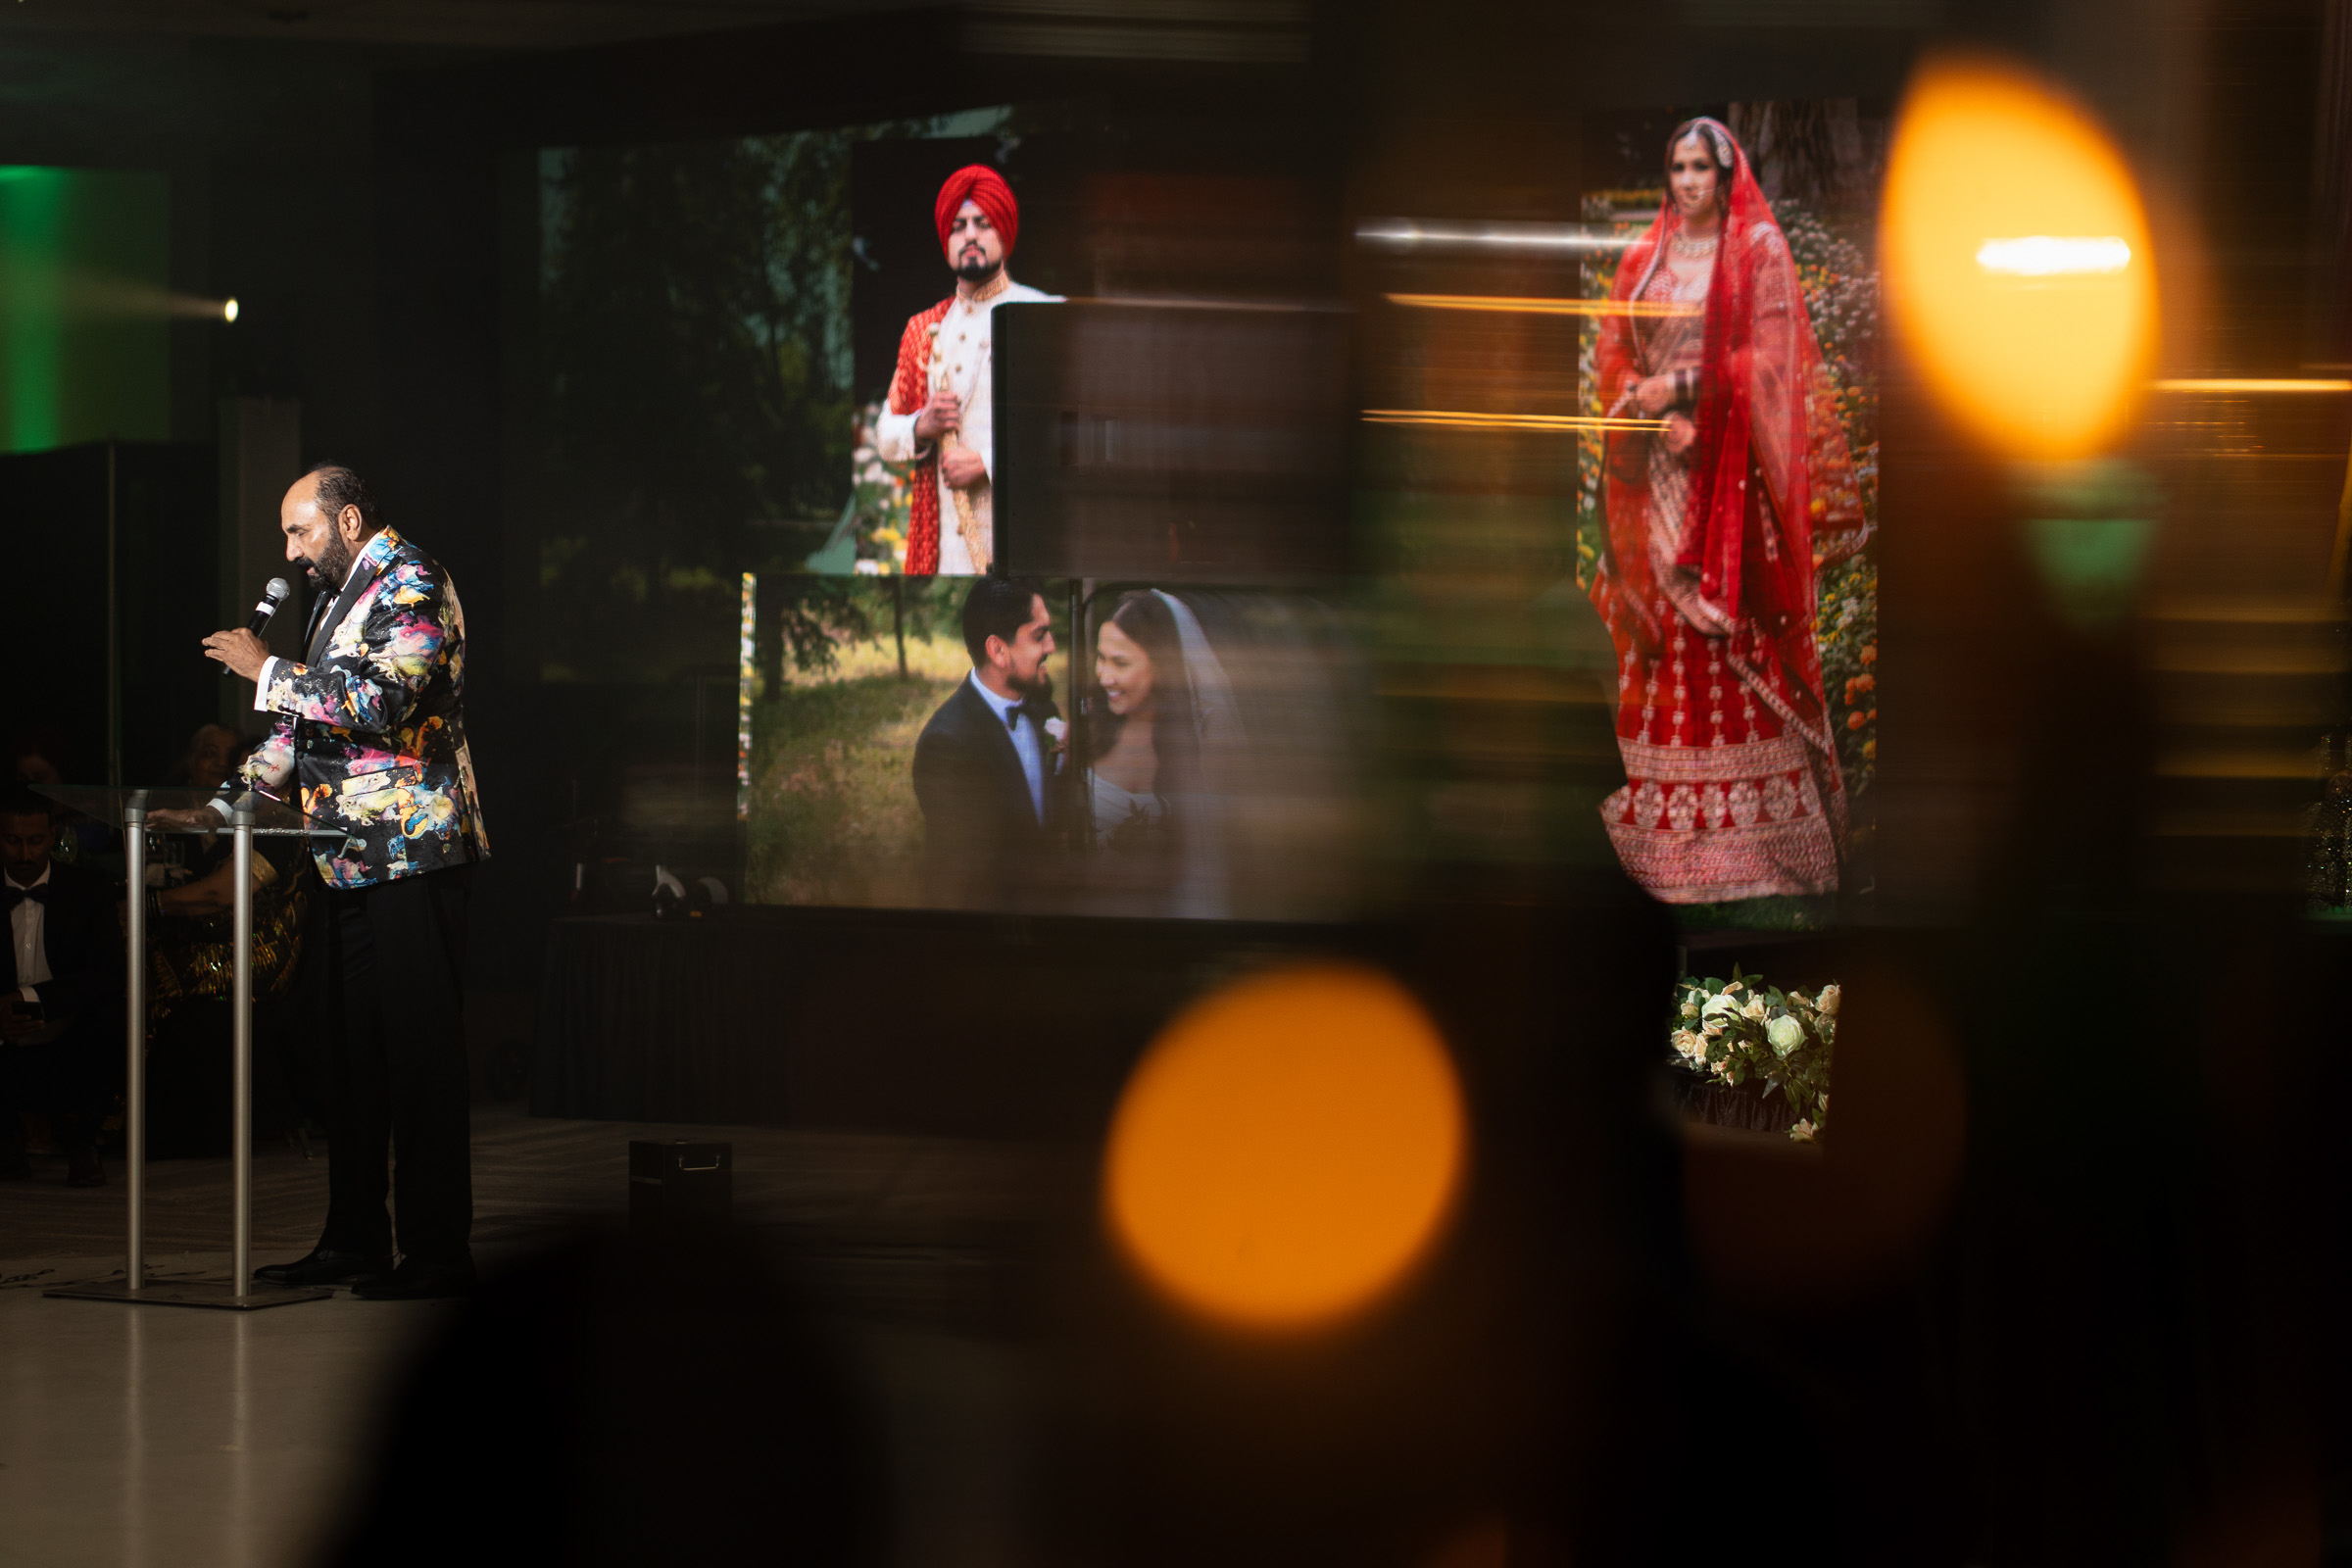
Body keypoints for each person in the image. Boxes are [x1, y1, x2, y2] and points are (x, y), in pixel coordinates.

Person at [162, 464, 488, 1298]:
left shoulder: (413, 580)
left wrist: (268, 669)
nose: (290, 551)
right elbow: (300, 726)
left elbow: (381, 702)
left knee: (419, 1058)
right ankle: (354, 1238)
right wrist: (226, 808)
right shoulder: (334, 598)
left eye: (299, 530)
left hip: (412, 855)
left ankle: (437, 1251)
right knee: (350, 1059)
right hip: (342, 854)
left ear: (347, 522)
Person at [1586, 117, 1868, 905]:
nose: (1686, 182)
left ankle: (1764, 847)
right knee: (1666, 644)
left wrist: (1684, 397)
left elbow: (1770, 361)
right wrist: (1635, 403)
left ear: (1726, 172)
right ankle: (1669, 845)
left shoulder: (1757, 252)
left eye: (1701, 167)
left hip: (1729, 487)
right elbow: (1613, 349)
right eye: (1676, 166)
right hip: (1656, 483)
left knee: (1731, 642)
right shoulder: (1644, 257)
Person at [872, 165, 1061, 575]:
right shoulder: (924, 329)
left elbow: (1074, 433)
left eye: (983, 222)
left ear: (1004, 233)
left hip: (1025, 547)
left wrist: (990, 464)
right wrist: (922, 425)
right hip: (943, 559)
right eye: (958, 226)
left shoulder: (1045, 314)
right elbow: (885, 437)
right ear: (946, 240)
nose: (970, 235)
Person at [911, 576, 1060, 907]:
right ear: (997, 650)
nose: (1052, 646)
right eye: (1039, 635)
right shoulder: (946, 745)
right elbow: (973, 877)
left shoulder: (1045, 709)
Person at [0, 790, 122, 1186]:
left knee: (111, 1016)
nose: (24, 853)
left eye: (34, 840)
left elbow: (106, 972)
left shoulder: (88, 889)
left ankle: (83, 1140)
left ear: (52, 836)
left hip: (65, 1021)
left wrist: (33, 1001)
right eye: (12, 840)